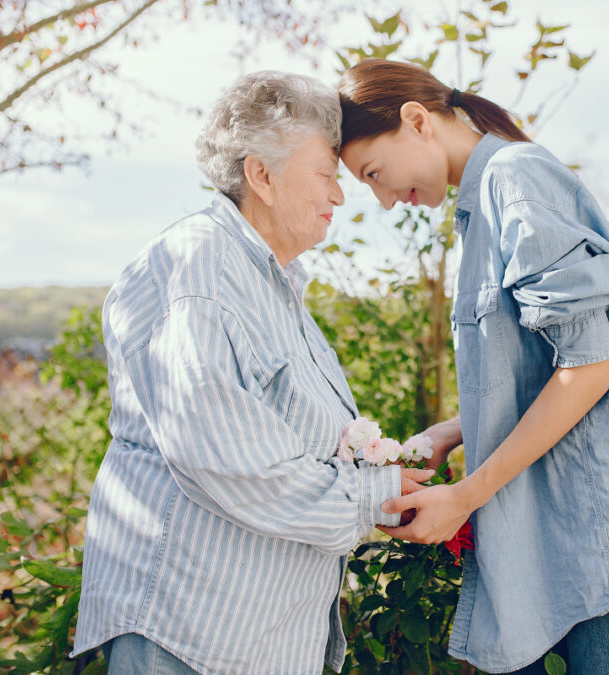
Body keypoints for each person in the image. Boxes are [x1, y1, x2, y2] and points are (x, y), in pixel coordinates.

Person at [337, 59, 609, 674]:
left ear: (416, 120)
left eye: (374, 173)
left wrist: (463, 498)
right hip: (561, 541)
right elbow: (545, 370)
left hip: (606, 541)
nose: (382, 198)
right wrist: (451, 433)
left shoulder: (517, 179)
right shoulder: (481, 204)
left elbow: (589, 369)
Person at [70, 70, 433, 674]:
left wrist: (392, 472)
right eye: (325, 175)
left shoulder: (270, 284)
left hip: (249, 638)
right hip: (192, 636)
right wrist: (379, 494)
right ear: (261, 176)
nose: (340, 197)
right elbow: (230, 459)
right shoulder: (203, 271)